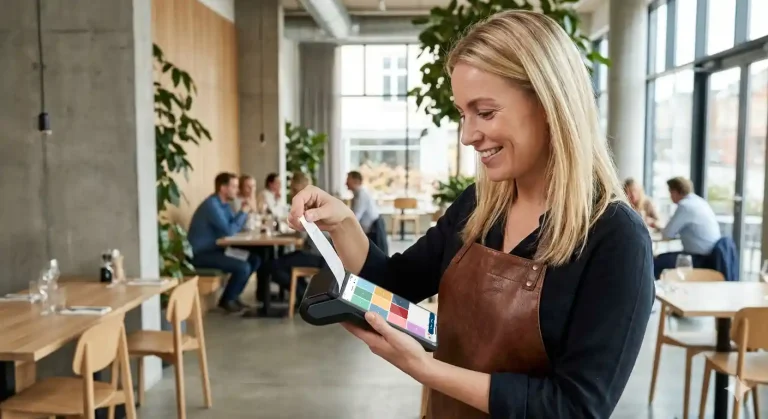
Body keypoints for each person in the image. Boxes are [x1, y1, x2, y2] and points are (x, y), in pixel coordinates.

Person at [288, 11, 653, 418]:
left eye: (486, 111)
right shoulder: (478, 206)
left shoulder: (616, 238)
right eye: (464, 113)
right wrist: (343, 224)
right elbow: (396, 286)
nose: (467, 135)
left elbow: (576, 407)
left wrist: (427, 369)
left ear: (549, 103)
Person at [188, 172, 261, 313]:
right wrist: (244, 210)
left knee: (254, 259)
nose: (237, 190)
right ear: (223, 188)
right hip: (202, 253)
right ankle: (226, 301)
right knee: (243, 267)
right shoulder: (212, 205)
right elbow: (229, 230)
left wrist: (243, 213)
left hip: (217, 249)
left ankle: (233, 296)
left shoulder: (224, 204)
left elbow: (234, 226)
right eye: (233, 186)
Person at [269, 172, 327, 303]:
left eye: (293, 188)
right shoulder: (316, 201)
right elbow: (302, 233)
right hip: (324, 255)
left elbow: (301, 234)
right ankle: (304, 293)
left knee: (273, 266)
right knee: (284, 262)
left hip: (316, 255)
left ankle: (303, 295)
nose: (291, 192)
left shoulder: (305, 205)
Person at [650, 176, 721, 278]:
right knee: (662, 259)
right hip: (711, 255)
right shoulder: (699, 202)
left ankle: (655, 293)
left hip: (700, 258)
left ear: (675, 191)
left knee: (655, 262)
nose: (670, 196)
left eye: (670, 192)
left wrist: (661, 229)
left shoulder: (685, 206)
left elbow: (667, 234)